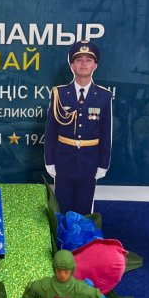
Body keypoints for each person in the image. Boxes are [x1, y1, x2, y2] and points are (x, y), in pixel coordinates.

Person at [44, 41, 112, 215]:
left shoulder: (104, 96)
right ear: (72, 65)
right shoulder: (59, 93)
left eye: (88, 60)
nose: (83, 64)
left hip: (90, 160)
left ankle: (83, 235)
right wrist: (49, 160)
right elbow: (51, 131)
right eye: (79, 60)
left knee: (84, 208)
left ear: (95, 65)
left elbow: (106, 133)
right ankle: (63, 234)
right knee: (62, 206)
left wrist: (103, 163)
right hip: (63, 159)